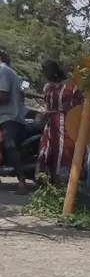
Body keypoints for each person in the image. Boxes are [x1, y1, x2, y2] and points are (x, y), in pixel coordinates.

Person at [37, 59, 83, 181]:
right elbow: (47, 104)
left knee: (63, 150)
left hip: (65, 123)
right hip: (50, 123)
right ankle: (46, 178)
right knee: (46, 149)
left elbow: (78, 104)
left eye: (46, 71)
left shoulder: (71, 86)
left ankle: (61, 180)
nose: (45, 75)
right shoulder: (48, 87)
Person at [0, 48, 28, 193]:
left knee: (10, 146)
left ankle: (22, 181)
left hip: (9, 118)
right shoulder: (11, 72)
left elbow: (3, 96)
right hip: (9, 117)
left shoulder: (3, 70)